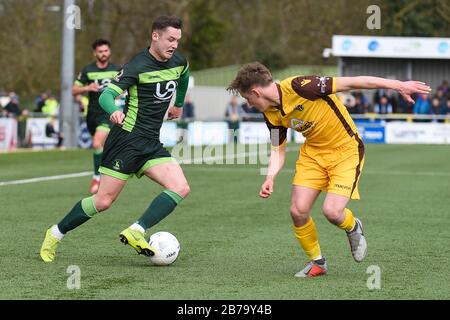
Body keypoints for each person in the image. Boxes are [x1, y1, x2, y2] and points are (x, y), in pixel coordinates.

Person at [227, 62, 431, 278]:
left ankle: (353, 227)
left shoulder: (301, 86)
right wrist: (270, 177)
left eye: (247, 98)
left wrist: (398, 85)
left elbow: (354, 82)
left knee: (332, 212)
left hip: (346, 150)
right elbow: (278, 149)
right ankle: (318, 262)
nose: (248, 104)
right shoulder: (270, 114)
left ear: (255, 92)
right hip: (313, 154)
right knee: (298, 210)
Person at [40, 16, 190, 263]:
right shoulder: (136, 66)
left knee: (180, 187)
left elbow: (184, 76)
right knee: (103, 201)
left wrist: (179, 104)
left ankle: (136, 231)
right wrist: (113, 111)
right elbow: (106, 96)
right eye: (170, 39)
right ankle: (54, 234)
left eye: (177, 40)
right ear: (155, 36)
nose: (174, 45)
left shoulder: (178, 61)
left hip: (151, 143)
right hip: (126, 141)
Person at [72, 39, 121, 194]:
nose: (104, 54)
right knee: (101, 146)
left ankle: (97, 177)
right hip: (91, 114)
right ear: (95, 53)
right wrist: (88, 87)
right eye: (100, 51)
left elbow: (125, 87)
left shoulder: (116, 70)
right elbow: (74, 90)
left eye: (106, 51)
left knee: (96, 143)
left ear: (110, 52)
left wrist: (119, 94)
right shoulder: (88, 70)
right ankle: (109, 171)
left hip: (107, 112)